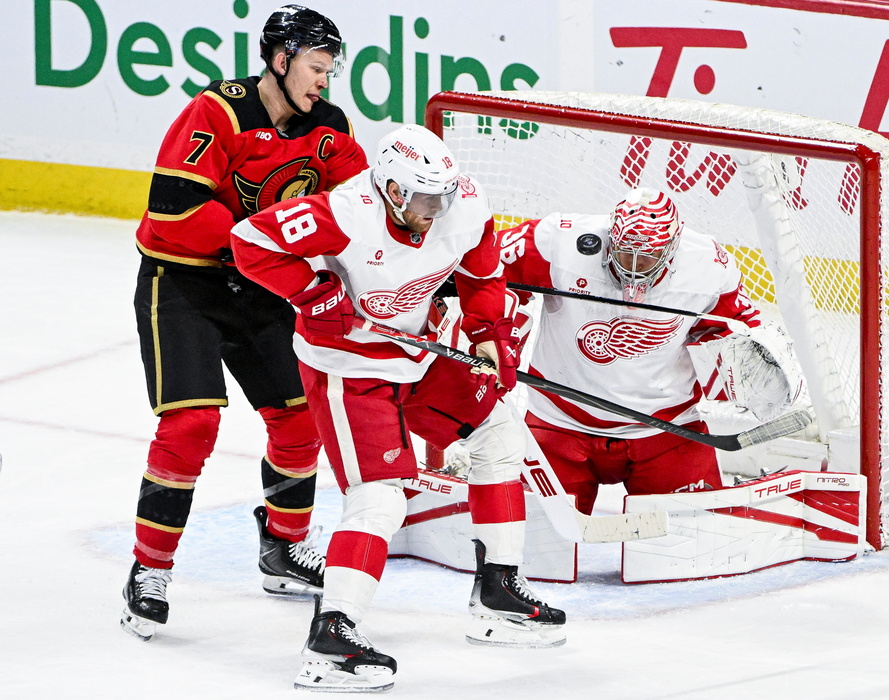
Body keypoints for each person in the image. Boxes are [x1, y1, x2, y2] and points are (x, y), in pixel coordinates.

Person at [230, 123, 566, 693]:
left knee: (499, 434)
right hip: (348, 368)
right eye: (422, 199)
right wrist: (313, 293)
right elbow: (248, 242)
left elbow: (483, 273)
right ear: (388, 188)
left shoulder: (463, 207)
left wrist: (487, 334)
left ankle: (497, 588)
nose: (435, 210)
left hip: (418, 352)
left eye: (442, 197)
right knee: (381, 497)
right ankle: (332, 635)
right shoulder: (344, 212)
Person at [121, 5, 368, 642]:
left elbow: (362, 210)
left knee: (298, 413)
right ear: (280, 61)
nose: (323, 82)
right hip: (183, 282)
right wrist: (264, 245)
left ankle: (284, 548)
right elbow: (173, 210)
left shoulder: (330, 129)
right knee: (192, 422)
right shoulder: (217, 111)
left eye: (329, 70)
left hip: (261, 285)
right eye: (315, 67)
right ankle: (148, 571)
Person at [498, 187, 802, 516]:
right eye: (625, 252)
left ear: (672, 248)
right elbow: (485, 269)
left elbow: (734, 328)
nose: (633, 266)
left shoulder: (708, 265)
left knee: (694, 546)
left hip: (666, 430)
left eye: (646, 257)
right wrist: (499, 335)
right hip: (557, 424)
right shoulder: (559, 242)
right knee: (536, 547)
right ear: (610, 237)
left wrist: (749, 367)